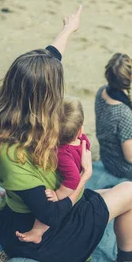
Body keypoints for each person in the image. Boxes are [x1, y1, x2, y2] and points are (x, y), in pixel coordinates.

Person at [0, 6, 132, 262]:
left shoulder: (10, 116)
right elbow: (51, 215)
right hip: (41, 240)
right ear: (45, 96)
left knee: (107, 194)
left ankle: (129, 256)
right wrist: (84, 175)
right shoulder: (14, 153)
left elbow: (49, 60)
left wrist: (68, 30)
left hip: (28, 217)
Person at [16, 98, 91, 244]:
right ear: (80, 130)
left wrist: (58, 194)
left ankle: (38, 232)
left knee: (49, 203)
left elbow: (74, 179)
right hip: (73, 180)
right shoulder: (82, 139)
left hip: (69, 188)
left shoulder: (63, 153)